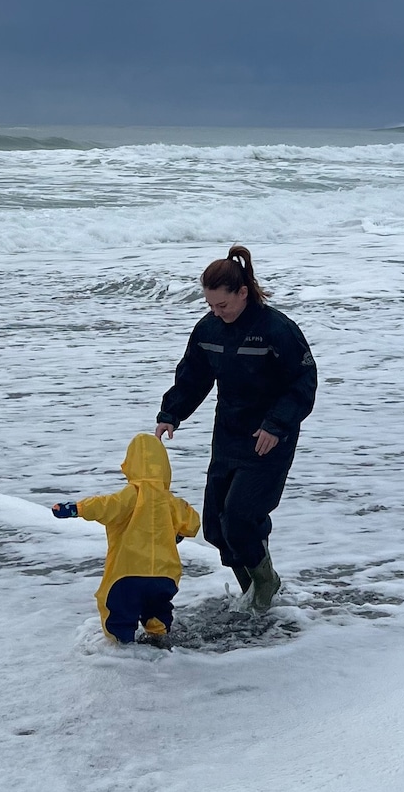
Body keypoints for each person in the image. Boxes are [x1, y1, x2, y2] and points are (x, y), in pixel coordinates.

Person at [154, 245, 316, 611]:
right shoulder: (209, 329)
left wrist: (276, 425)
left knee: (241, 517)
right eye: (210, 306)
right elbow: (194, 376)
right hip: (228, 433)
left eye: (222, 305)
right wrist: (171, 413)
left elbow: (303, 382)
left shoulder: (277, 330)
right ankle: (254, 587)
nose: (216, 312)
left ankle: (264, 587)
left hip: (269, 438)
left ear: (243, 292)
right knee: (216, 525)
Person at [53, 432, 201, 648]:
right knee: (158, 610)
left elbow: (104, 506)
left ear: (131, 463)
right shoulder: (171, 501)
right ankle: (159, 638)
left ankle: (122, 651)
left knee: (116, 610)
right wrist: (177, 533)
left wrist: (76, 509)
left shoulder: (131, 495)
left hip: (127, 573)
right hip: (164, 575)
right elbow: (193, 522)